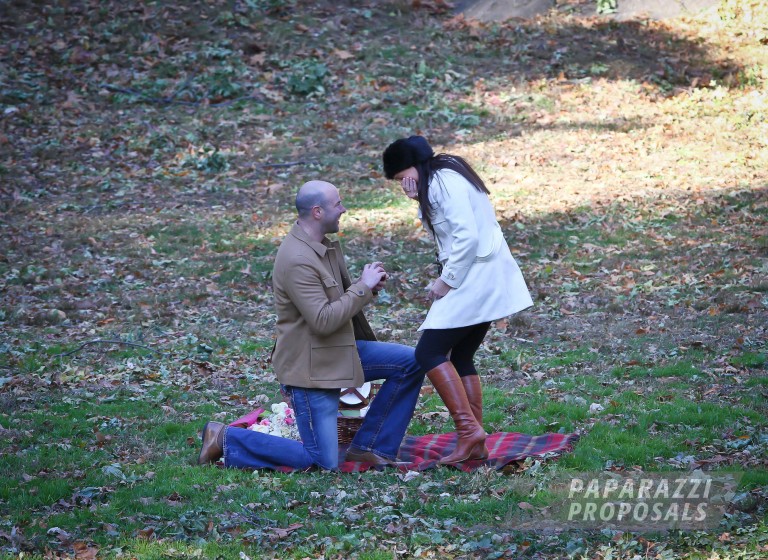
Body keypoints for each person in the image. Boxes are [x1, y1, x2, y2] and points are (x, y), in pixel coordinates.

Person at [197, 180, 425, 470]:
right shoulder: (298, 259)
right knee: (320, 462)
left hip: (336, 351)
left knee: (411, 362)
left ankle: (370, 446)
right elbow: (323, 320)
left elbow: (332, 304)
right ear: (317, 212)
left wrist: (366, 287)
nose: (343, 209)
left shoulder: (320, 246)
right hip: (310, 369)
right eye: (338, 204)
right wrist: (362, 288)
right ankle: (225, 436)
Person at [382, 135, 533, 463]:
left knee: (429, 351)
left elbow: (465, 235)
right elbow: (445, 229)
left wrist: (445, 282)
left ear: (412, 166)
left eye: (400, 177)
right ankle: (474, 439)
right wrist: (416, 199)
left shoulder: (441, 183)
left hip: (472, 278)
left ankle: (469, 433)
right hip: (482, 276)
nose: (402, 184)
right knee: (461, 355)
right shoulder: (442, 177)